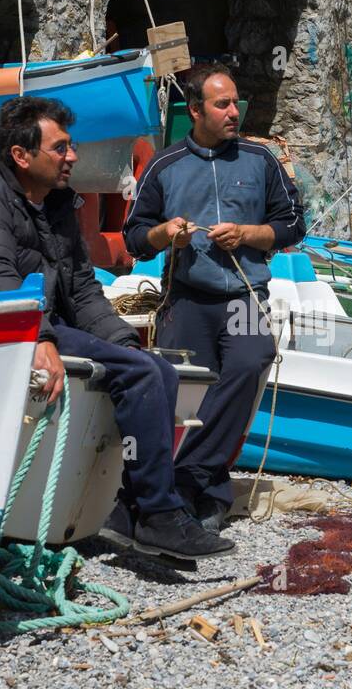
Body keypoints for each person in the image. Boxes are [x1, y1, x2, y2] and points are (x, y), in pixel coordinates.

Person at [0, 95, 234, 561]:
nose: (72, 156)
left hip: (39, 323)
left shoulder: (55, 205)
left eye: (70, 146)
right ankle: (157, 514)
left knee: (158, 371)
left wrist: (125, 343)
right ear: (21, 155)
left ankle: (130, 508)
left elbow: (82, 291)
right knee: (137, 374)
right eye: (60, 148)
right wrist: (40, 341)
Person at [123, 64, 306, 532]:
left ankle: (189, 475)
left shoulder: (260, 160)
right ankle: (203, 495)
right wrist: (166, 233)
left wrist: (248, 233)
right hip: (187, 298)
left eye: (236, 102)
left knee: (253, 358)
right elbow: (135, 238)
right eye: (222, 104)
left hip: (244, 295)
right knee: (184, 395)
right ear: (195, 111)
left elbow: (293, 226)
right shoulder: (165, 166)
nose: (233, 112)